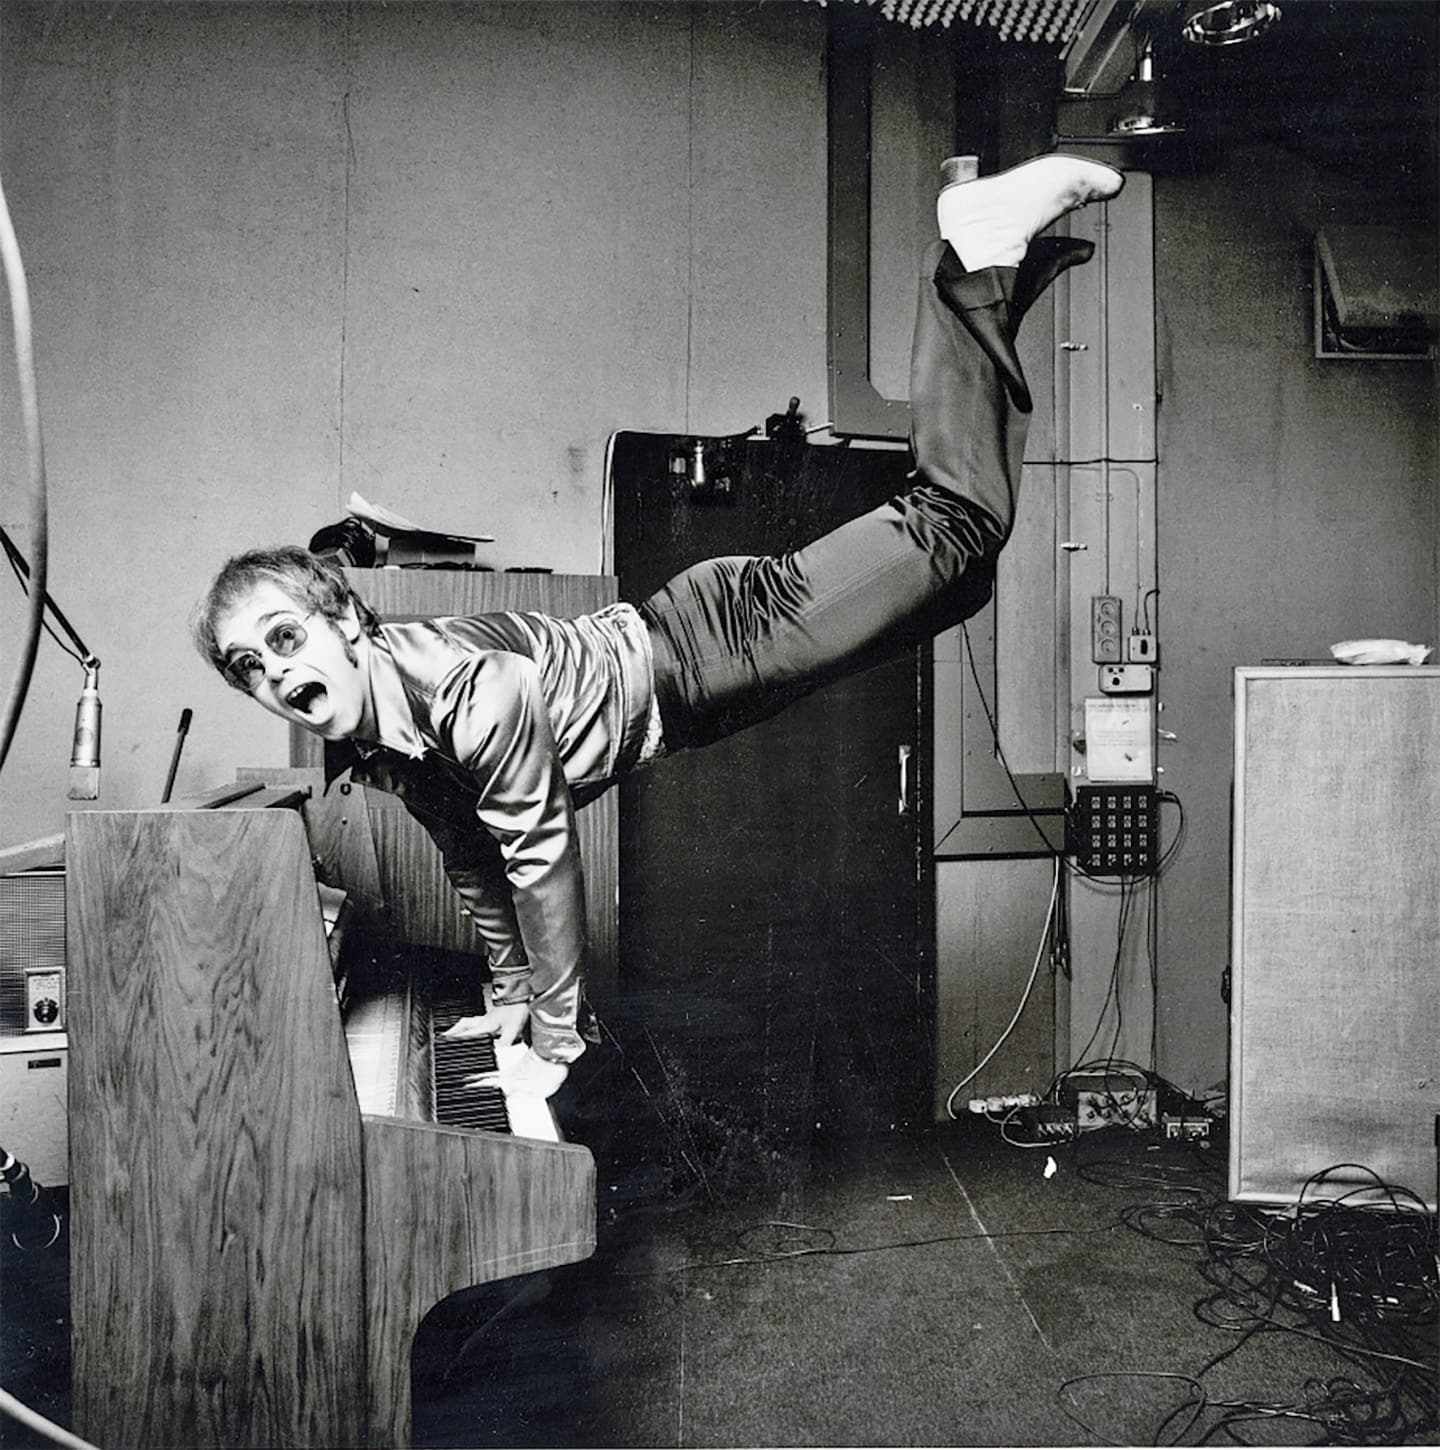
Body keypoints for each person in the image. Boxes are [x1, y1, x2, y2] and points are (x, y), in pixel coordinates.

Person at [193, 153, 1124, 1099]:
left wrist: (555, 1038)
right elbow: (469, 854)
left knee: (958, 525)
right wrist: (510, 990)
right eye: (247, 669)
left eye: (283, 638)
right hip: (694, 681)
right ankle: (991, 292)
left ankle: (971, 259)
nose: (274, 674)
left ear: (347, 620)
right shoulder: (388, 742)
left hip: (716, 641)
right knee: (957, 587)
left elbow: (539, 859)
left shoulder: (469, 698)